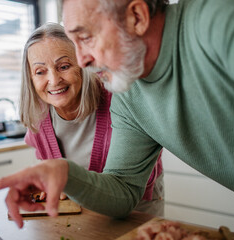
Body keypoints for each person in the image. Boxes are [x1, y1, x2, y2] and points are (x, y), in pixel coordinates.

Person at [0, 0, 234, 229]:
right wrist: (64, 172)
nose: (82, 61)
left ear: (137, 16)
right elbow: (124, 190)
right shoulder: (128, 96)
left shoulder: (217, 18)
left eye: (86, 37)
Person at [19, 22, 164, 216]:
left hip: (136, 206)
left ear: (82, 64)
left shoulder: (118, 98)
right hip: (78, 210)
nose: (54, 80)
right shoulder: (38, 117)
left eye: (63, 66)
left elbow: (130, 178)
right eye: (40, 71)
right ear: (30, 77)